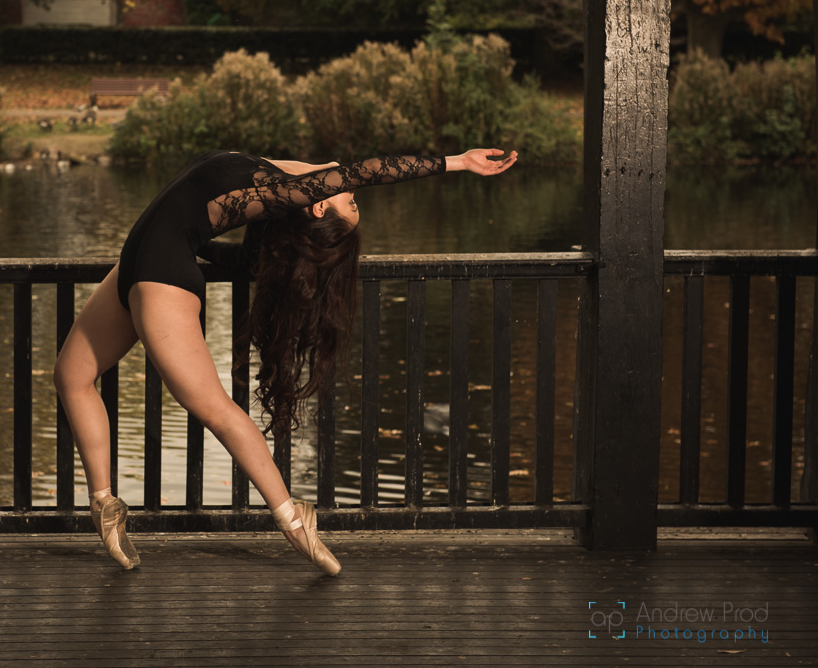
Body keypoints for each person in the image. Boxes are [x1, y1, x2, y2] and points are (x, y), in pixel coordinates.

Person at [53, 148, 518, 574]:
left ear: (319, 202)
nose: (352, 193)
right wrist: (188, 244)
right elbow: (240, 254)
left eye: (349, 202)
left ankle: (293, 520)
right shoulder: (280, 176)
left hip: (159, 279)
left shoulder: (283, 192)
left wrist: (456, 163)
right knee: (72, 376)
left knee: (214, 409)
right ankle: (104, 506)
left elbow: (364, 171)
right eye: (353, 203)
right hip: (134, 264)